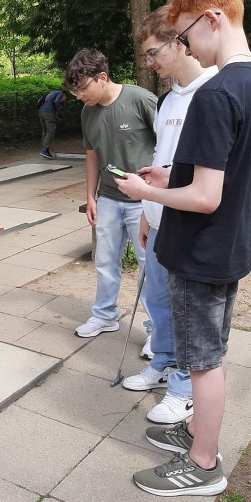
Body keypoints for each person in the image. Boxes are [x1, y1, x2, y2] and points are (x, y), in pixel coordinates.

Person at [117, 0, 251, 496]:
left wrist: (148, 193)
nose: (184, 47)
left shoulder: (215, 93)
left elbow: (205, 198)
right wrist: (172, 175)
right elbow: (224, 176)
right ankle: (197, 433)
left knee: (203, 361)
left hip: (202, 251)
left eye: (184, 35)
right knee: (214, 351)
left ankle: (203, 463)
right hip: (232, 246)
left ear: (212, 19)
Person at [122, 5, 218, 425]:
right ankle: (162, 362)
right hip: (159, 218)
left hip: (190, 222)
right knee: (158, 299)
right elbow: (163, 161)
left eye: (153, 51)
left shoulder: (212, 93)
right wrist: (146, 212)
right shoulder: (166, 100)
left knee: (187, 310)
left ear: (179, 42)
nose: (150, 61)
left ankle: (185, 388)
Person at [64, 49, 155, 348]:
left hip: (144, 200)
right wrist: (90, 195)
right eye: (74, 91)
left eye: (82, 88)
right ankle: (104, 315)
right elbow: (92, 155)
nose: (79, 96)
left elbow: (169, 145)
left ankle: (158, 330)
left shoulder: (140, 99)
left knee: (149, 266)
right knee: (104, 260)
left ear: (102, 78)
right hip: (109, 199)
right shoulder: (87, 112)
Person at [38, 89, 67, 159]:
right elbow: (56, 101)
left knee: (45, 132)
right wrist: (57, 110)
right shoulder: (60, 93)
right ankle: (44, 150)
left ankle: (46, 151)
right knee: (50, 131)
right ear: (65, 95)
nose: (63, 101)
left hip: (41, 111)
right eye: (65, 99)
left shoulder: (51, 93)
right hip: (48, 111)